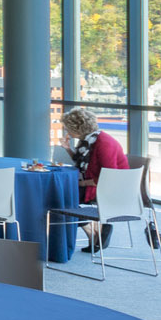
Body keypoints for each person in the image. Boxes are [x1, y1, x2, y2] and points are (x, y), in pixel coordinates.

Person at [60, 107, 130, 254]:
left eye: (67, 127)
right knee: (59, 196)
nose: (66, 130)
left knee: (60, 200)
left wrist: (81, 184)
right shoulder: (89, 141)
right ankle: (94, 230)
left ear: (76, 128)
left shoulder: (104, 143)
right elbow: (84, 162)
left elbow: (109, 176)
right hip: (96, 185)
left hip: (108, 191)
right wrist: (67, 148)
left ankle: (95, 229)